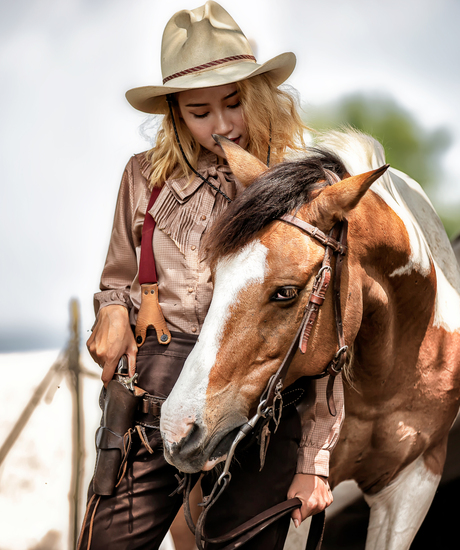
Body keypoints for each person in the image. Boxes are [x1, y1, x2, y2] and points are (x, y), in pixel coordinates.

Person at [78, 2, 344, 549]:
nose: (222, 125)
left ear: (260, 94)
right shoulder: (143, 177)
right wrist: (110, 310)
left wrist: (315, 459)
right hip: (155, 386)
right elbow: (119, 276)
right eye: (200, 112)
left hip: (262, 397)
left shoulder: (302, 183)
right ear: (175, 112)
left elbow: (327, 335)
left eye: (234, 102)